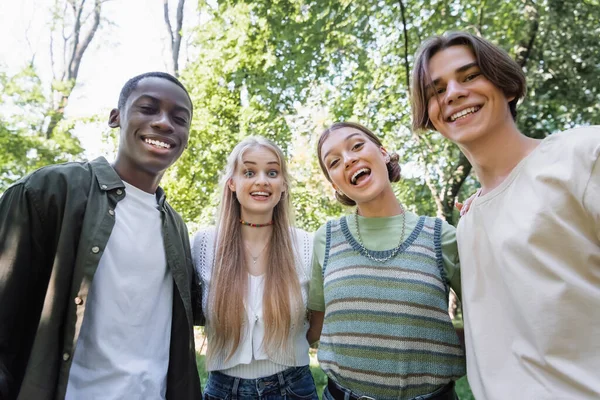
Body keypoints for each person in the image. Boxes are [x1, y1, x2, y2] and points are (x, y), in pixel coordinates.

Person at [411, 31, 600, 399]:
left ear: (507, 86)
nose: (453, 93)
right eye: (437, 89)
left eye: (469, 76)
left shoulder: (582, 157)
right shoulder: (467, 222)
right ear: (431, 116)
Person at [0, 72, 203, 400]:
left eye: (179, 118)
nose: (164, 123)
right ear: (116, 117)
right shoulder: (48, 193)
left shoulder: (176, 227)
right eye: (148, 109)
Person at [308, 122, 465, 400]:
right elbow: (314, 326)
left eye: (357, 146)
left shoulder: (442, 236)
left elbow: (489, 318)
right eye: (334, 161)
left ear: (383, 153)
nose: (349, 159)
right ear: (334, 183)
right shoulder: (326, 238)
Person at [192, 137, 318, 399]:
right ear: (232, 183)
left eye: (272, 172)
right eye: (249, 172)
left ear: (283, 185)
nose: (262, 181)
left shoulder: (306, 244)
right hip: (223, 389)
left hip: (293, 387)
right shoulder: (204, 243)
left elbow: (318, 318)